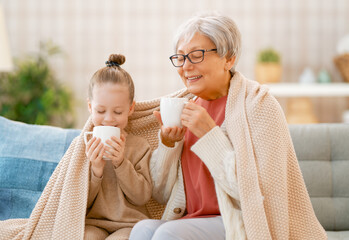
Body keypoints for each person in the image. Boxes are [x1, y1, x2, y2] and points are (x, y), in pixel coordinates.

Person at [129, 13, 327, 240]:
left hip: (245, 222)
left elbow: (259, 194)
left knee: (167, 234)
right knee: (142, 230)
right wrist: (168, 144)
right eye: (180, 58)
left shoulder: (258, 104)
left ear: (229, 59)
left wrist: (209, 134)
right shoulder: (185, 107)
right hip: (194, 221)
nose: (185, 67)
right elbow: (161, 194)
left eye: (196, 55)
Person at [84, 54, 152, 240]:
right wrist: (96, 172)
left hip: (129, 225)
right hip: (93, 223)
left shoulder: (140, 147)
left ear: (130, 109)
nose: (108, 118)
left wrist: (121, 163)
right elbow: (77, 201)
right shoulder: (83, 147)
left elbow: (141, 197)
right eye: (100, 111)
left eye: (118, 111)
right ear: (90, 107)